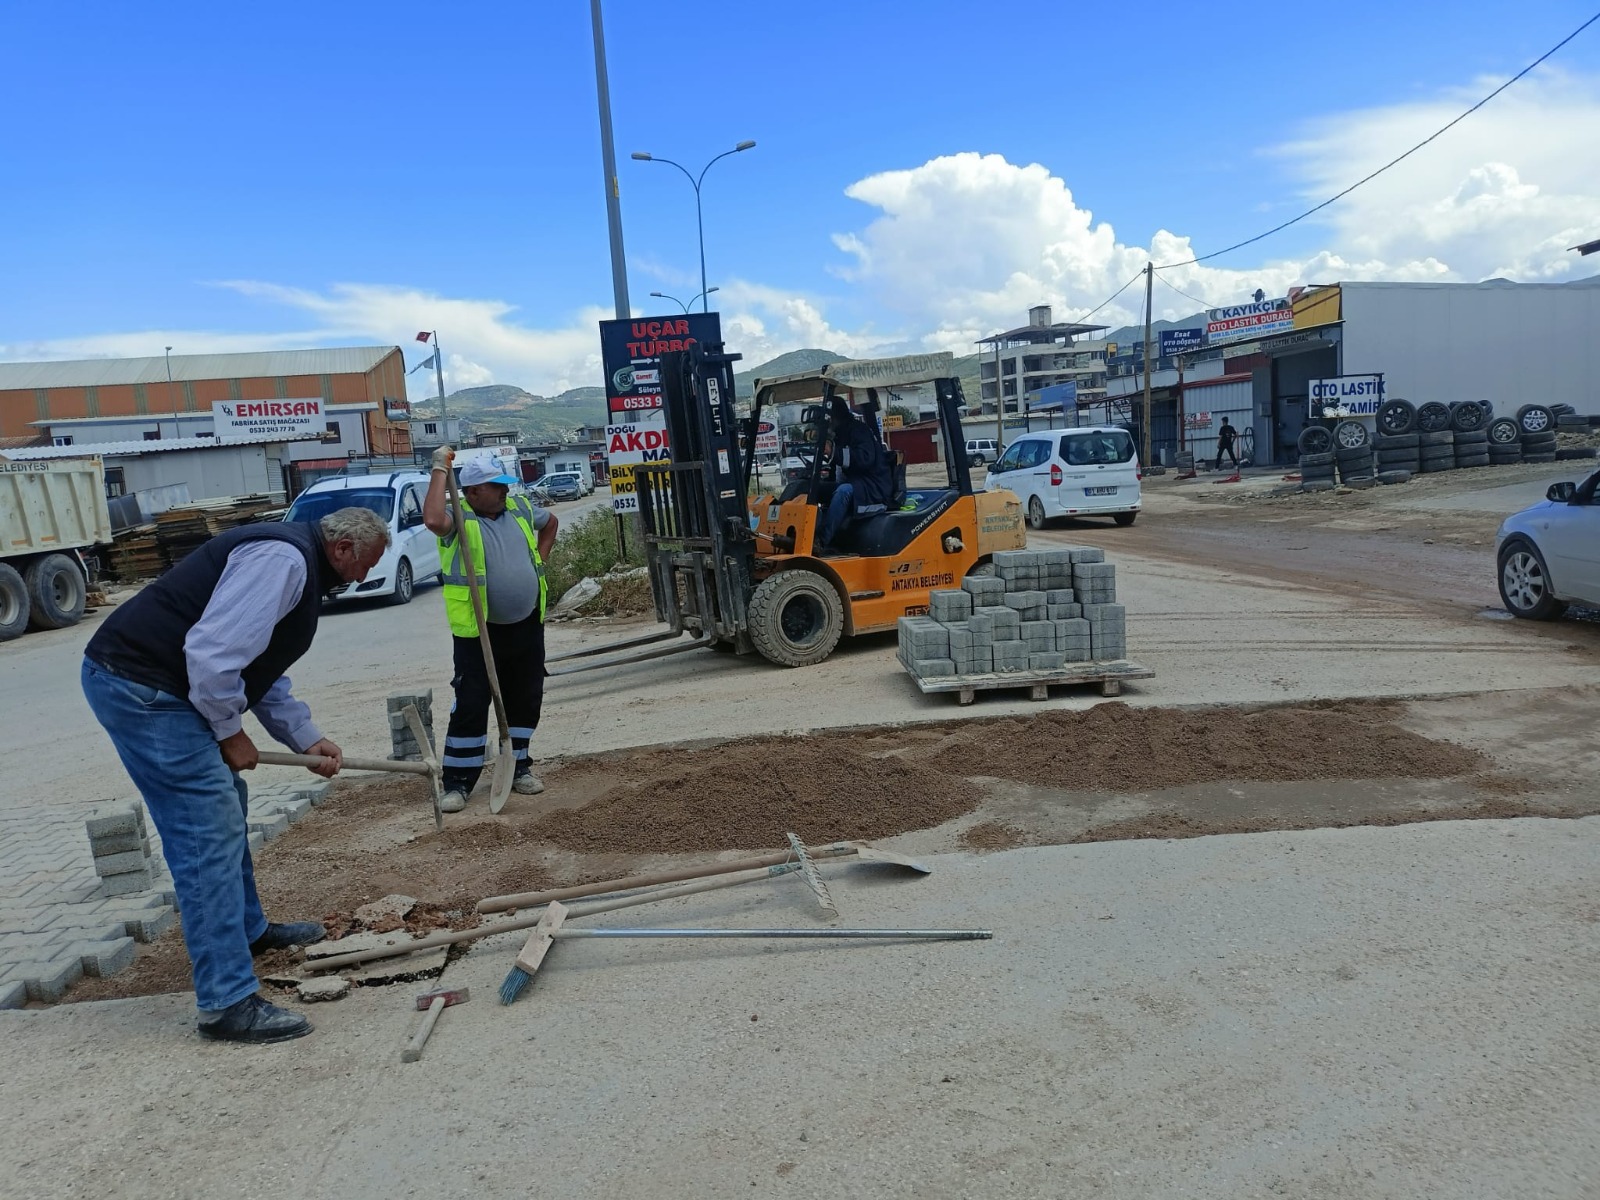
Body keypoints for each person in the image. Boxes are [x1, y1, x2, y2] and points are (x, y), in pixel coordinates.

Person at [81, 506, 392, 1044]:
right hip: (144, 687)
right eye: (364, 565)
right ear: (342, 548)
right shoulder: (283, 560)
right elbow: (213, 655)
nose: (363, 577)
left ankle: (247, 932)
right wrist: (229, 732)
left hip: (162, 685)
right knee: (207, 830)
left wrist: (304, 738)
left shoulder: (296, 563)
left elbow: (257, 669)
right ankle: (226, 1001)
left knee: (228, 805)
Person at [422, 450, 558, 813]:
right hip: (479, 631)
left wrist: (538, 560)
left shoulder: (520, 509)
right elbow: (433, 519)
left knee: (525, 696)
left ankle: (519, 766)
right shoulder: (459, 520)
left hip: (527, 624)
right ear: (472, 491)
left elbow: (551, 523)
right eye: (496, 486)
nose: (504, 491)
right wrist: (439, 469)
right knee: (471, 701)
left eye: (504, 485)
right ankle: (458, 782)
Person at [816, 398, 894, 551]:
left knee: (843, 492)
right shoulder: (840, 433)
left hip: (873, 489)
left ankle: (821, 541)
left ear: (835, 417)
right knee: (814, 489)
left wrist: (834, 453)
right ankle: (804, 533)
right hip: (858, 484)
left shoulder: (859, 431)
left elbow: (865, 459)